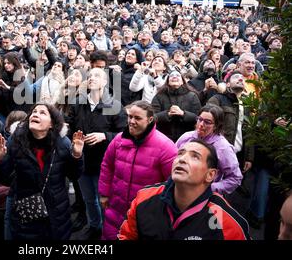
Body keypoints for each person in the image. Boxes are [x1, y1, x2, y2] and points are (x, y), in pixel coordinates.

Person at [119, 140, 251, 240]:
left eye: (195, 156)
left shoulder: (226, 221)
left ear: (210, 175)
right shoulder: (144, 198)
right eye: (180, 153)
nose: (182, 159)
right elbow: (126, 236)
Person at [0, 103, 85, 240]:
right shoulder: (16, 140)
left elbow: (74, 175)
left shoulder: (63, 143)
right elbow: (5, 179)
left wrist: (77, 156)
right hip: (27, 212)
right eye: (34, 112)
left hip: (56, 214)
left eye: (42, 113)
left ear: (52, 124)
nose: (35, 114)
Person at [98, 101, 177, 240]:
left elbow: (173, 183)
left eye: (138, 118)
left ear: (150, 119)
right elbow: (107, 165)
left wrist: (162, 210)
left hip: (146, 214)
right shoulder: (118, 140)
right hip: (116, 209)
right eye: (130, 116)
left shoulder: (165, 147)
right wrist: (104, 193)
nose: (131, 121)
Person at [65, 68, 127, 239]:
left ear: (105, 82)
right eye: (89, 76)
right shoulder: (78, 103)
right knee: (88, 199)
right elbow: (69, 126)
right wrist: (71, 138)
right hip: (82, 161)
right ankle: (94, 226)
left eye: (97, 76)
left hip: (105, 163)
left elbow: (125, 135)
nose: (91, 78)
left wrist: (104, 136)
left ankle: (108, 231)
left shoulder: (114, 106)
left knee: (105, 200)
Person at [176, 105, 243, 195]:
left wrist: (209, 189)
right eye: (200, 119)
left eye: (207, 122)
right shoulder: (186, 137)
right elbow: (172, 159)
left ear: (216, 126)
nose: (201, 125)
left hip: (203, 198)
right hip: (179, 190)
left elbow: (235, 178)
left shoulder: (223, 148)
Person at [151, 70, 201, 142]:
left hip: (186, 139)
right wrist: (167, 114)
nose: (174, 76)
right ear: (168, 81)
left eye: (177, 75)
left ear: (182, 81)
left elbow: (198, 118)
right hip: (164, 139)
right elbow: (152, 117)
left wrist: (183, 114)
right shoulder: (159, 96)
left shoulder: (192, 96)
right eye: (171, 76)